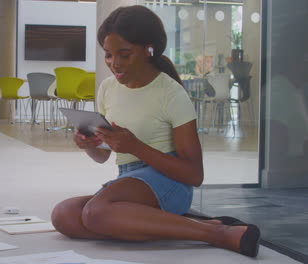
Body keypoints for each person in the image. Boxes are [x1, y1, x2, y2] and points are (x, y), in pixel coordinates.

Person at [51, 5, 260, 258]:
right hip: (128, 180)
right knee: (64, 215)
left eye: (124, 54)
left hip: (169, 181)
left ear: (148, 50)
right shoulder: (107, 88)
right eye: (108, 55)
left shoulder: (171, 94)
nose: (114, 63)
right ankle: (191, 225)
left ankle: (219, 234)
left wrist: (136, 146)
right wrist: (90, 146)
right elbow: (104, 155)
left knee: (95, 213)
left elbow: (194, 175)